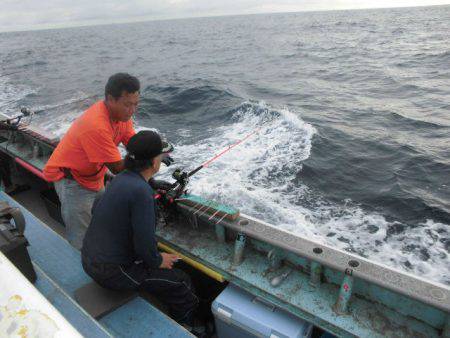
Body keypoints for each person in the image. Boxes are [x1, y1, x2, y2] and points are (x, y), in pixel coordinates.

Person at [81, 130, 199, 330]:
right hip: (113, 273)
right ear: (154, 163)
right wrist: (159, 260)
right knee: (182, 283)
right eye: (161, 157)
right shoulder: (141, 193)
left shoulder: (119, 179)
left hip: (90, 260)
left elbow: (97, 209)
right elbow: (144, 245)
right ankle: (185, 329)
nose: (162, 160)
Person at [43, 73, 170, 249]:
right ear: (110, 99)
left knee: (102, 216)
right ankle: (85, 267)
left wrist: (153, 158)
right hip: (72, 181)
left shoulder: (122, 116)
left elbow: (133, 145)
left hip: (95, 176)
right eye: (127, 105)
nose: (132, 110)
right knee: (80, 235)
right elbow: (118, 167)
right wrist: (151, 162)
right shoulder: (96, 126)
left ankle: (101, 250)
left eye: (135, 104)